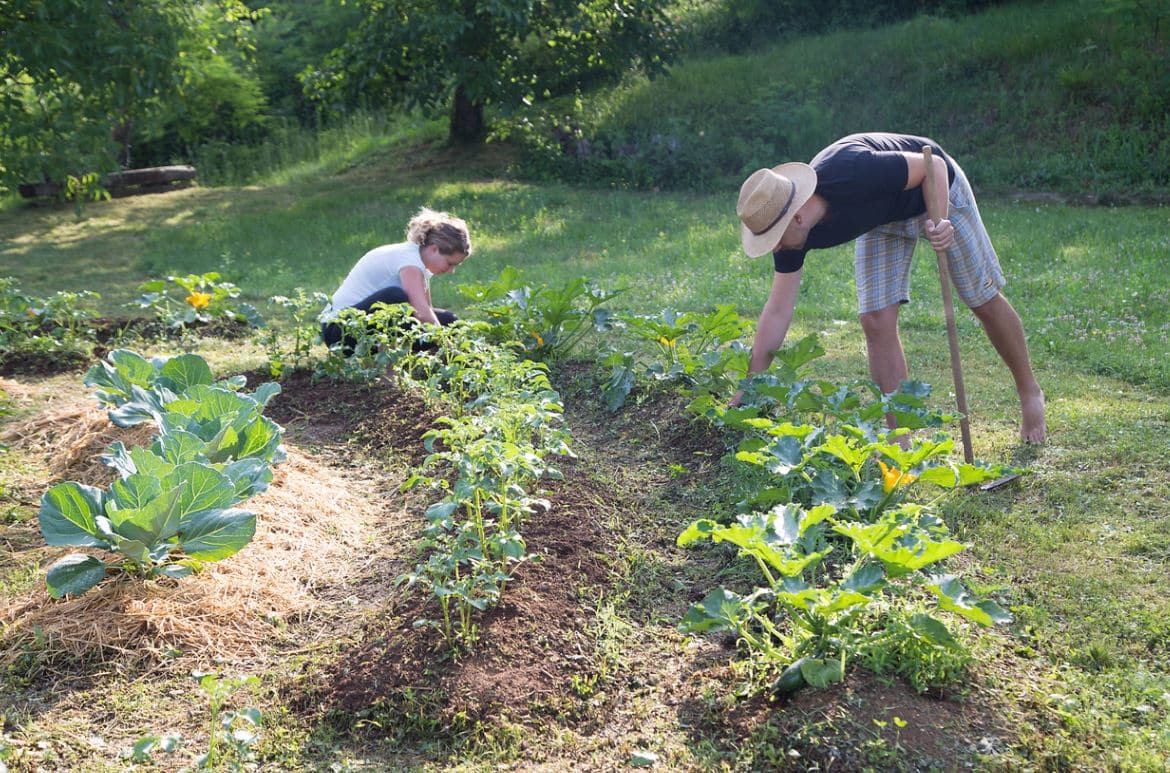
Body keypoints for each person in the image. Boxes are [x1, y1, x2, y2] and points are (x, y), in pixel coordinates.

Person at [734, 132, 1045, 443]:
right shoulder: (791, 238)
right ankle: (900, 439)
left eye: (774, 239)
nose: (774, 248)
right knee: (876, 320)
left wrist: (941, 221)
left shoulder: (852, 171)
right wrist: (746, 389)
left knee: (982, 298)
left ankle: (1030, 392)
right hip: (881, 218)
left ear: (798, 216)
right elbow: (778, 310)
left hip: (935, 191)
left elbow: (932, 164)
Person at [320, 207, 471, 352]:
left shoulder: (421, 264)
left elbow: (427, 312)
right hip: (338, 330)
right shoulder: (409, 261)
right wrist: (450, 348)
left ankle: (425, 365)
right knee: (395, 297)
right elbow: (422, 314)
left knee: (449, 322)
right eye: (450, 263)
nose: (451, 271)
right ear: (434, 249)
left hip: (362, 325)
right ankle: (389, 371)